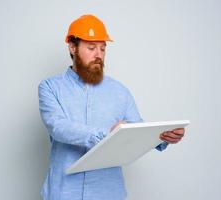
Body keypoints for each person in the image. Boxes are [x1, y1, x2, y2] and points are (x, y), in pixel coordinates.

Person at [38, 14, 185, 200]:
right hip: (64, 193)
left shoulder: (120, 91)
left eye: (102, 48)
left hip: (108, 193)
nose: (98, 54)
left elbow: (136, 131)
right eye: (91, 48)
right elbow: (58, 127)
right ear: (72, 47)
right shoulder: (50, 87)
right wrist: (108, 135)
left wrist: (162, 137)